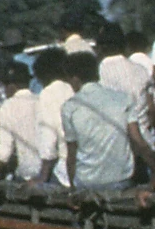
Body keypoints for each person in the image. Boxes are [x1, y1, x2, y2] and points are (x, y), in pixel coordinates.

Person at [61, 52, 155, 191]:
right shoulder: (123, 99)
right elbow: (138, 141)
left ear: (74, 79)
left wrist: (73, 189)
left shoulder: (70, 107)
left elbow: (72, 155)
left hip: (86, 182)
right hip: (121, 181)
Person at [97, 22, 155, 181]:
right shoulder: (141, 70)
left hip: (117, 150)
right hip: (146, 146)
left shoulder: (100, 72)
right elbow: (151, 110)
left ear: (100, 48)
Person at [0, 62, 41, 186]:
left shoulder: (8, 107)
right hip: (47, 172)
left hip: (26, 173)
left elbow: (4, 152)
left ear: (12, 86)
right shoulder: (41, 100)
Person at [33, 47, 74, 186]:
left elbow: (48, 138)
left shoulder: (48, 94)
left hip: (64, 168)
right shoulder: (72, 88)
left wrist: (43, 176)